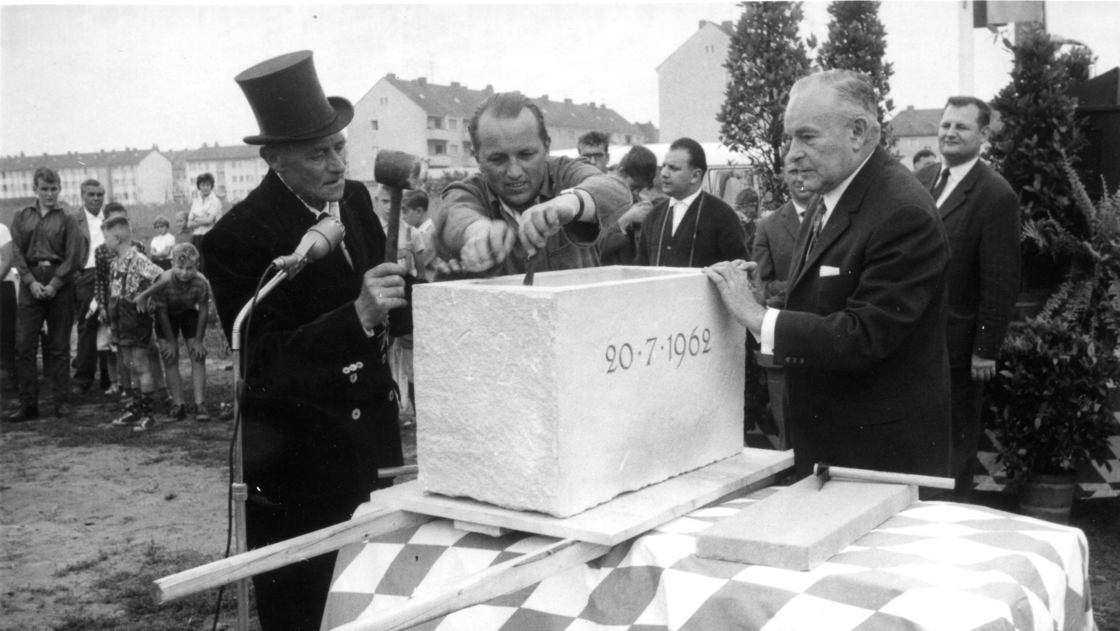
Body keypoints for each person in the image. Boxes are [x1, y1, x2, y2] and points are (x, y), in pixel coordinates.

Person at [202, 51, 413, 630]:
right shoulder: (237, 237)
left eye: (339, 146)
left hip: (372, 448)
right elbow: (263, 360)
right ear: (275, 160)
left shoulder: (359, 201)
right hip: (301, 469)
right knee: (305, 610)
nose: (335, 163)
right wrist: (358, 316)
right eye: (317, 153)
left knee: (374, 605)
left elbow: (388, 301)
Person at [704, 70, 952, 482]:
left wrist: (757, 317)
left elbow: (862, 336)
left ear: (857, 132)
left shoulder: (901, 211)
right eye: (789, 138)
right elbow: (823, 304)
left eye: (807, 137)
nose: (791, 154)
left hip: (879, 458)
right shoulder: (834, 197)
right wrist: (763, 302)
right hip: (837, 444)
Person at [916, 96, 1020, 502]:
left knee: (955, 445)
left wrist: (985, 348)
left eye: (961, 127)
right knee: (916, 439)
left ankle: (951, 526)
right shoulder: (921, 180)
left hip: (959, 350)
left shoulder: (996, 195)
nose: (949, 133)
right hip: (911, 340)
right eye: (945, 125)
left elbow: (1001, 280)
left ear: (983, 135)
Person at [434, 91, 632, 277]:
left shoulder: (565, 172)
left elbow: (614, 190)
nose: (514, 172)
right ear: (477, 158)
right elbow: (453, 213)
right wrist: (478, 234)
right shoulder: (470, 192)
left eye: (526, 155)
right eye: (497, 159)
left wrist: (567, 204)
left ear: (546, 146)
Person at [5, 167, 83, 422]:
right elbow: (16, 251)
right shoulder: (21, 216)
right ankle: (29, 405)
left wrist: (55, 284)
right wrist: (29, 281)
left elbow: (73, 256)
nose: (49, 194)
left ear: (60, 189)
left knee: (59, 346)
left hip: (59, 285)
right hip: (30, 285)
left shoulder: (68, 218)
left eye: (54, 189)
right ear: (35, 189)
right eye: (44, 189)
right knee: (24, 346)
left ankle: (61, 402)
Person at [635, 138, 749, 268]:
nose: (664, 174)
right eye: (664, 166)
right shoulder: (654, 216)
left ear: (695, 176)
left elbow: (739, 268)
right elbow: (642, 268)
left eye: (673, 168)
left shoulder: (722, 216)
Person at [136, 243, 212, 422]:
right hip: (166, 316)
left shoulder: (201, 282)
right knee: (170, 357)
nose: (185, 273)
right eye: (180, 268)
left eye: (189, 269)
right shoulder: (164, 280)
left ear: (197, 267)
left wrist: (199, 340)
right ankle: (178, 404)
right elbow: (161, 313)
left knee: (198, 356)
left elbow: (203, 311)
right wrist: (171, 341)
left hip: (188, 313)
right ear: (172, 265)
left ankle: (200, 404)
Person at [102, 215, 164, 432]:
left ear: (117, 237)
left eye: (106, 237)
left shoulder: (137, 258)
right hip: (119, 316)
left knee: (140, 365)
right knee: (129, 366)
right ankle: (136, 409)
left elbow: (161, 277)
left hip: (135, 318)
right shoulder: (115, 263)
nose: (105, 242)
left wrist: (145, 296)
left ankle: (149, 414)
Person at [752, 160, 814, 307]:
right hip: (790, 320)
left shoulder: (837, 217)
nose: (800, 178)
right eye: (793, 172)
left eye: (805, 171)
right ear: (783, 174)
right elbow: (760, 285)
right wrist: (803, 285)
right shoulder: (767, 227)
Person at [71, 179, 106, 395]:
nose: (95, 198)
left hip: (110, 273)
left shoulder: (111, 216)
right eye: (91, 194)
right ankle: (83, 378)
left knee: (110, 322)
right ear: (82, 196)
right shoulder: (73, 220)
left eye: (99, 194)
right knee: (87, 323)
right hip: (86, 275)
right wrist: (76, 274)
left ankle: (109, 377)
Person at [600, 144, 659, 265]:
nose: (637, 193)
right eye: (634, 186)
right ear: (621, 172)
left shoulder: (640, 200)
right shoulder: (597, 197)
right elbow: (591, 250)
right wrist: (626, 220)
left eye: (641, 188)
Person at [402, 190, 442, 281]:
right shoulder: (414, 233)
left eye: (405, 211)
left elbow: (408, 265)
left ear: (419, 212)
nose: (402, 217)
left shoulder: (430, 234)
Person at [186, 172, 222, 275]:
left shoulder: (215, 201)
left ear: (211, 186)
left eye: (208, 185)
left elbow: (209, 221)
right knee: (197, 262)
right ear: (199, 186)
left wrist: (196, 220)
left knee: (208, 264)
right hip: (197, 237)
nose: (205, 188)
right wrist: (202, 219)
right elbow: (189, 224)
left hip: (209, 236)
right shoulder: (196, 201)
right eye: (203, 185)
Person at [0, 222, 15, 392]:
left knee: (6, 335)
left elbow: (8, 260)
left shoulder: (1, 229)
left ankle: (13, 378)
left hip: (2, 287)